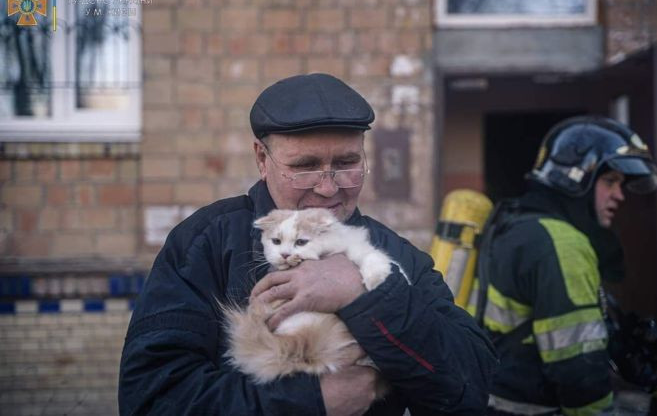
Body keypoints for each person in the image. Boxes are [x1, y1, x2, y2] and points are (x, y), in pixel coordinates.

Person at [118, 73, 497, 415]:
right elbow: (151, 398)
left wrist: (363, 295)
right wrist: (311, 401)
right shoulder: (206, 242)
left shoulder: (398, 256)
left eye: (347, 162)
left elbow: (470, 389)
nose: (329, 187)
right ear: (261, 160)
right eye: (304, 166)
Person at [473, 116, 657, 415]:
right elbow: (578, 370)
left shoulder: (516, 223)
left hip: (495, 400)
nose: (619, 195)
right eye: (610, 181)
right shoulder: (563, 243)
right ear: (576, 178)